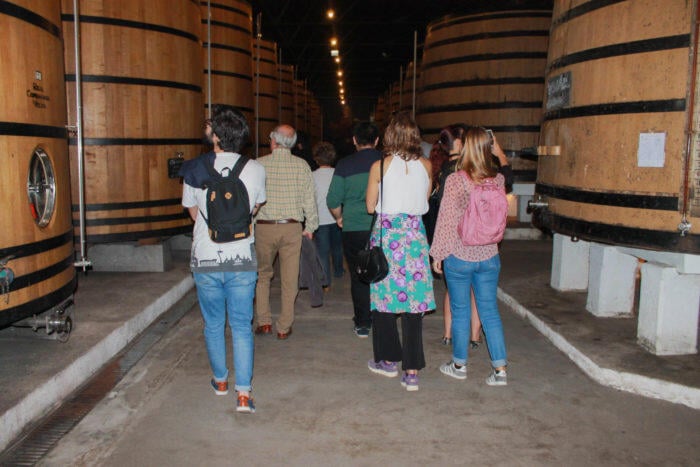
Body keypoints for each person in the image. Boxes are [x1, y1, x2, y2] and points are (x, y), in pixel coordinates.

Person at [180, 105, 266, 413]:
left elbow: (192, 212)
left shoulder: (194, 169)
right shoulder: (256, 169)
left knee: (214, 323)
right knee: (242, 325)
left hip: (206, 258)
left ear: (215, 135)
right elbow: (254, 209)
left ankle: (220, 380)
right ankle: (244, 394)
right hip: (242, 257)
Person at [430, 126, 509, 386]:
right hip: (489, 255)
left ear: (466, 148)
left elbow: (446, 221)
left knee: (460, 310)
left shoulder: (457, 180)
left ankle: (459, 365)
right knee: (490, 312)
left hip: (460, 255)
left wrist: (437, 254)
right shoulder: (497, 180)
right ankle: (500, 371)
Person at [365, 112, 435, 391]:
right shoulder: (428, 165)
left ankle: (388, 361)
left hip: (387, 237)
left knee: (383, 299)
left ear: (390, 136)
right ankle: (412, 371)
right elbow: (424, 201)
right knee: (413, 305)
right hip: (414, 238)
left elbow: (371, 207)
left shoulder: (380, 166)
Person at [254, 124, 319, 340]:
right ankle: (284, 326)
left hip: (264, 227)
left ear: (273, 140)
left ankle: (263, 322)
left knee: (263, 276)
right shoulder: (302, 166)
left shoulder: (258, 165)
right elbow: (309, 200)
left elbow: (251, 200)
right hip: (292, 228)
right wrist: (310, 227)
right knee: (290, 280)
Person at [327, 122, 382, 338]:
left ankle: (362, 323)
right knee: (382, 272)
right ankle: (382, 319)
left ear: (354, 141)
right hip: (382, 227)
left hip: (353, 227)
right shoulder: (386, 162)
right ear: (377, 140)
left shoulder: (345, 164)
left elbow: (332, 199)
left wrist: (339, 217)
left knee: (359, 276)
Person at [312, 142, 344, 286]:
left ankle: (325, 281)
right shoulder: (339, 173)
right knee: (337, 247)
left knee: (323, 252)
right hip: (338, 217)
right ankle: (338, 271)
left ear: (316, 158)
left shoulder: (312, 176)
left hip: (320, 219)